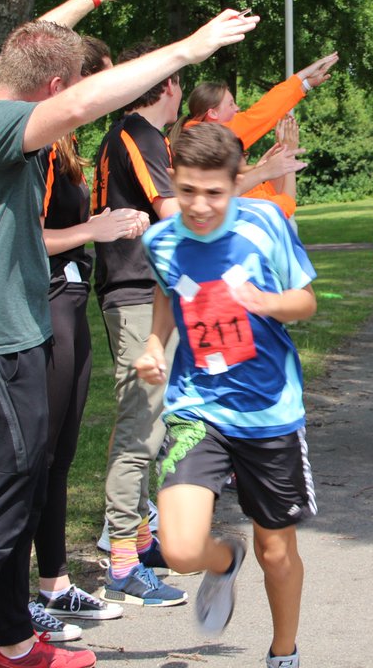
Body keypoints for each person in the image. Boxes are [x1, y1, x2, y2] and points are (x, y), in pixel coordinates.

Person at [0, 0, 258, 668]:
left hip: (0, 343)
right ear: (50, 89)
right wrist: (187, 49)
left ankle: (15, 645)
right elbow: (78, 106)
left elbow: (26, 54)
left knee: (13, 502)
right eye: (61, 86)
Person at [133, 122, 317, 668]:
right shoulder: (161, 238)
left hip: (268, 411)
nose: (200, 205)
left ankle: (283, 654)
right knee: (180, 548)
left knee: (276, 551)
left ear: (236, 183)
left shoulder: (265, 223)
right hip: (198, 408)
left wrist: (265, 303)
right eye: (188, 190)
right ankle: (221, 560)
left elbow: (305, 302)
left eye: (214, 192)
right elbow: (167, 294)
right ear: (175, 181)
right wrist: (152, 345)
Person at [29, 37, 146, 640]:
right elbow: (25, 240)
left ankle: (54, 585)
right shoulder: (39, 147)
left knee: (62, 454)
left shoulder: (69, 145)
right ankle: (24, 601)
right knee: (39, 455)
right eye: (100, 82)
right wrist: (94, 229)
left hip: (72, 302)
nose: (106, 97)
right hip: (46, 302)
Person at [91, 40, 195, 607]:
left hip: (140, 291)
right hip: (135, 294)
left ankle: (140, 539)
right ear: (170, 83)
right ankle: (122, 565)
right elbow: (172, 212)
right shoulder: (139, 134)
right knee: (142, 427)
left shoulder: (131, 135)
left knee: (152, 422)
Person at [174, 51, 338, 218]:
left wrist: (263, 168)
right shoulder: (218, 134)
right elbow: (265, 112)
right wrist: (303, 79)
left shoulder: (193, 138)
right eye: (231, 104)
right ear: (213, 114)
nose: (237, 109)